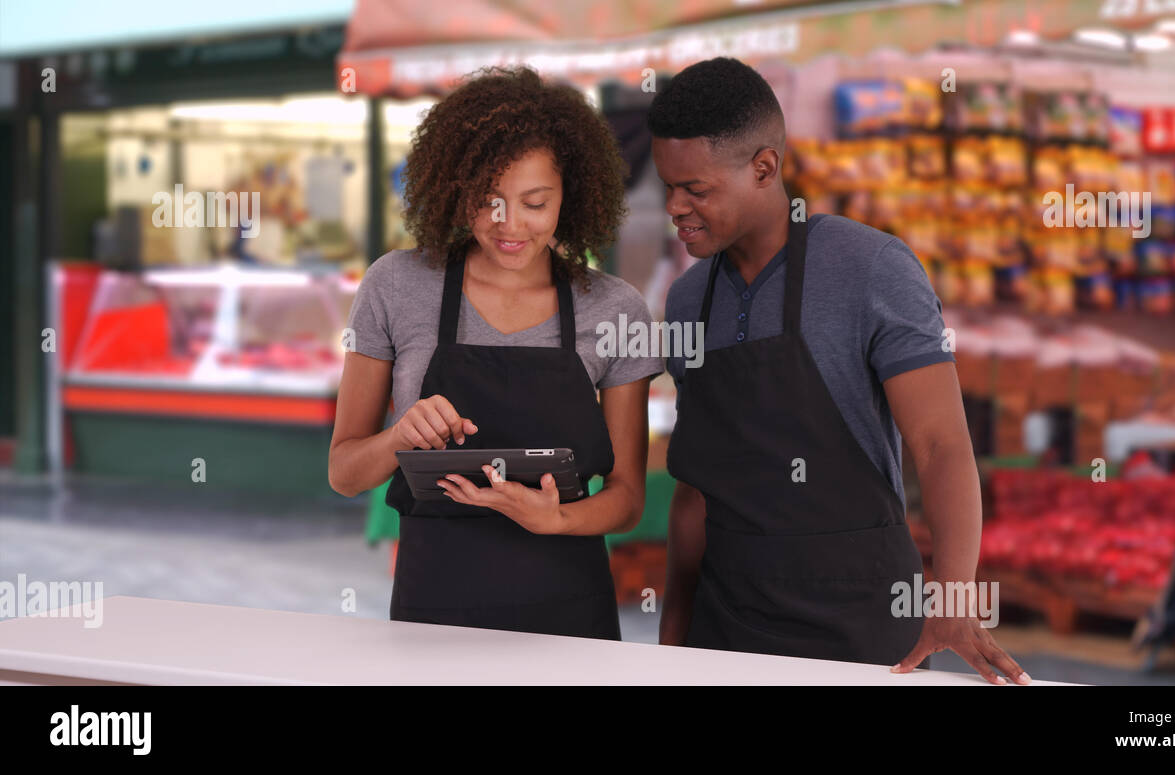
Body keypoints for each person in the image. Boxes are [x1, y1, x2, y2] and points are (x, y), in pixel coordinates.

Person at [650, 57, 1029, 684]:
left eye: (695, 189)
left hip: (862, 621)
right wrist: (672, 632)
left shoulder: (872, 269)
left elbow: (940, 447)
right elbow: (694, 489)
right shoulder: (690, 299)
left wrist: (953, 597)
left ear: (764, 168)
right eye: (668, 187)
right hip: (727, 622)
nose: (675, 207)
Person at [329, 67, 662, 640]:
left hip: (567, 612)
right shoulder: (395, 285)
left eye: (535, 202)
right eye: (489, 201)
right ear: (456, 190)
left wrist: (555, 518)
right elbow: (344, 473)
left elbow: (627, 497)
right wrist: (398, 437)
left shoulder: (616, 308)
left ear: (570, 195)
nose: (510, 226)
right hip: (433, 614)